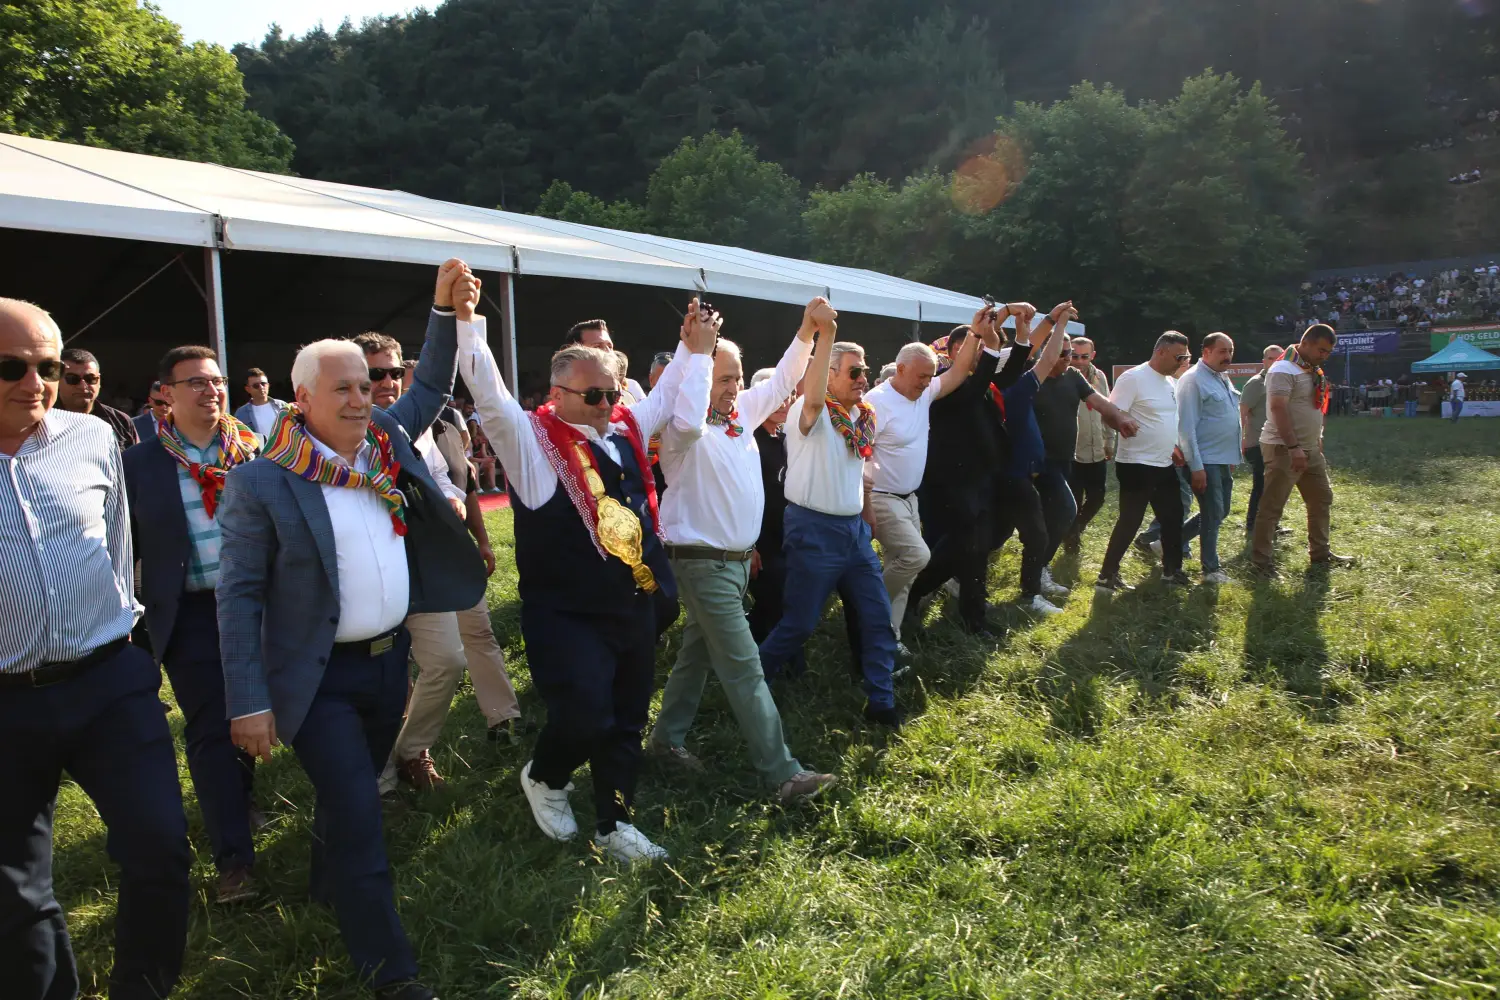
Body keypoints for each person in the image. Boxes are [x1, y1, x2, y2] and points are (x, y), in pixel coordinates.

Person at [216, 259, 485, 1000]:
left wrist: (439, 310)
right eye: (346, 389)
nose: (364, 399)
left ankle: (322, 883)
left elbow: (429, 382)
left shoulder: (384, 445)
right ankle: (391, 974)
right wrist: (247, 699)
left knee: (346, 795)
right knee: (362, 808)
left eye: (367, 387)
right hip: (319, 678)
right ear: (302, 399)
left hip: (388, 664)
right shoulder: (264, 479)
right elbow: (237, 597)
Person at [458, 291, 713, 863]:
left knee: (625, 719)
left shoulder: (622, 427)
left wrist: (692, 346)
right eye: (592, 395)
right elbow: (492, 399)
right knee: (584, 715)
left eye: (611, 393)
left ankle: (615, 822)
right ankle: (546, 776)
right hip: (567, 612)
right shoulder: (532, 445)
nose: (605, 404)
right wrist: (469, 323)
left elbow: (669, 391)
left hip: (633, 604)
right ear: (557, 394)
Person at [0, 298, 191, 1000]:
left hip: (107, 681)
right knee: (15, 890)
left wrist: (132, 648)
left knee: (160, 850)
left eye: (48, 365)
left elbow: (118, 548)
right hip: (5, 705)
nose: (35, 383)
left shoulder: (92, 438)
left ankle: (143, 987)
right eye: (10, 367)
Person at [648, 300, 837, 802]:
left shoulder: (738, 418)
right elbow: (688, 421)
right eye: (723, 378)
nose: (735, 388)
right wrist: (697, 354)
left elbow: (778, 384)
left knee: (696, 656)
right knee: (743, 664)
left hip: (732, 566)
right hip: (700, 562)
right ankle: (783, 774)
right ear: (698, 380)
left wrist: (806, 333)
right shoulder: (679, 431)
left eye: (735, 378)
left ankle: (665, 743)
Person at [352, 331, 523, 793]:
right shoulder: (335, 433)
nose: (388, 380)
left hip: (428, 561)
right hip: (372, 573)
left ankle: (412, 749)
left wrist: (453, 505)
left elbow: (452, 478)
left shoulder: (420, 425)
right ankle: (383, 779)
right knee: (388, 675)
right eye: (375, 373)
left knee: (448, 659)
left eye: (393, 370)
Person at [124, 343, 263, 904]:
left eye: (216, 380)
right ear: (166, 394)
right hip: (192, 616)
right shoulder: (141, 465)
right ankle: (234, 860)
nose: (211, 391)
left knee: (256, 716)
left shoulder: (255, 452)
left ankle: (242, 794)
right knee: (209, 731)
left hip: (258, 606)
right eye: (196, 383)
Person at [756, 314, 908, 726]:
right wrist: (828, 336)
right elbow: (813, 395)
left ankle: (882, 703)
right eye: (855, 371)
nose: (864, 379)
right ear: (828, 376)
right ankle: (751, 687)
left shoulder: (864, 418)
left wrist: (867, 512)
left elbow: (858, 473)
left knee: (877, 618)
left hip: (853, 534)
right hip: (812, 530)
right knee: (800, 623)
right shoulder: (810, 414)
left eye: (866, 371)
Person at [904, 305, 1030, 637]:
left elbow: (1012, 370)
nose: (969, 354)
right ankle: (916, 595)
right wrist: (986, 335)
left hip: (981, 478)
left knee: (973, 549)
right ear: (949, 351)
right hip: (949, 481)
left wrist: (1021, 329)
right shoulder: (942, 384)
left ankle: (970, 615)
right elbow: (973, 386)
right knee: (964, 547)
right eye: (963, 348)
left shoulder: (982, 382)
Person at [863, 332, 984, 648]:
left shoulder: (925, 391)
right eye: (921, 376)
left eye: (930, 377)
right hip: (881, 498)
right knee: (916, 556)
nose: (926, 382)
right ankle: (866, 607)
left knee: (902, 576)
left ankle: (889, 638)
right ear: (900, 370)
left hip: (910, 498)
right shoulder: (874, 403)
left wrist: (976, 333)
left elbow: (958, 372)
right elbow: (857, 455)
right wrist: (864, 504)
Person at [991, 302, 1089, 615]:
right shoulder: (1009, 389)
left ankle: (1029, 592)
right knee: (997, 533)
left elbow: (1037, 350)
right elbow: (1039, 354)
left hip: (1023, 473)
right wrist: (1053, 323)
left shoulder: (1019, 386)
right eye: (1020, 358)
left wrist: (1054, 323)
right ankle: (951, 578)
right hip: (1006, 474)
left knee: (1027, 531)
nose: (1027, 359)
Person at [1251, 324, 1356, 578]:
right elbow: (1278, 409)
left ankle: (1320, 554)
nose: (1324, 356)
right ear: (1305, 343)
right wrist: (1294, 446)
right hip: (1283, 448)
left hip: (1309, 449)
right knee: (1272, 507)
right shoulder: (1283, 368)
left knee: (1321, 498)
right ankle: (1260, 563)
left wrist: (1315, 440)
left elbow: (1314, 407)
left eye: (1328, 352)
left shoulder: (1311, 369)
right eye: (1321, 350)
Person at [1032, 335, 1137, 583]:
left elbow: (1100, 402)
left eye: (1071, 353)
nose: (1069, 359)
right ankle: (1035, 573)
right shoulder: (1033, 377)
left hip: (1063, 459)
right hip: (1037, 461)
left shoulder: (1074, 377)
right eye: (1063, 353)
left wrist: (1120, 419)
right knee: (1061, 511)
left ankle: (1036, 572)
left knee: (1059, 513)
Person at [1096, 332, 1193, 594]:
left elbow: (1162, 420)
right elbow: (1109, 414)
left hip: (1163, 463)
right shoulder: (1133, 378)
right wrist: (1121, 424)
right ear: (1160, 351)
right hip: (1136, 464)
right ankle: (1106, 576)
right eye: (1178, 356)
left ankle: (1172, 572)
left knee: (1173, 518)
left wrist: (1171, 446)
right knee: (1131, 520)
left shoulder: (1169, 382)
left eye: (1185, 356)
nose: (1182, 361)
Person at [1176, 333, 1242, 584]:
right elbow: (1186, 428)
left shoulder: (1221, 377)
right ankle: (1211, 570)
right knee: (1213, 512)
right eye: (1222, 351)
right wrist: (1196, 466)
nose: (1228, 356)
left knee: (1220, 510)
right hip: (1205, 460)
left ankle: (1169, 541)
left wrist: (1232, 454)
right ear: (1205, 352)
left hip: (1222, 458)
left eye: (1230, 350)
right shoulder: (1193, 380)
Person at [1063, 337, 1114, 552]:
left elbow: (1107, 408)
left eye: (1084, 356)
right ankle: (1071, 541)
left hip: (1097, 449)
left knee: (1097, 497)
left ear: (1092, 356)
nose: (1079, 361)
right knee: (1073, 499)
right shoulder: (1062, 377)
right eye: (1075, 356)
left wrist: (1109, 440)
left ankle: (1073, 530)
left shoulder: (1099, 376)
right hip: (1072, 451)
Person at [1238, 344, 1284, 538]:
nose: (1274, 362)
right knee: (1262, 485)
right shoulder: (1256, 383)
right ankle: (1252, 525)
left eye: (1278, 359)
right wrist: (1241, 440)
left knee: (1274, 486)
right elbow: (1242, 412)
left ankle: (1270, 524)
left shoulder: (1281, 382)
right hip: (1256, 443)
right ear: (1264, 361)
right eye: (1271, 359)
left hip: (1274, 442)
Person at [57, 346, 139, 451]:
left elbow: (136, 463)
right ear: (57, 381)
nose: (83, 386)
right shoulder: (41, 422)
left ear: (99, 380)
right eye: (73, 379)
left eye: (90, 379)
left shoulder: (121, 422)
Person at [565, 318, 648, 402]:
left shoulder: (629, 394)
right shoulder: (563, 395)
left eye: (610, 346)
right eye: (597, 346)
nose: (608, 352)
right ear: (573, 351)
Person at [233, 367, 289, 441]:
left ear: (268, 385)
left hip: (284, 451)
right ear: (248, 389)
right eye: (256, 386)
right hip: (260, 452)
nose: (261, 387)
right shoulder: (241, 413)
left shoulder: (282, 406)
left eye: (263, 384)